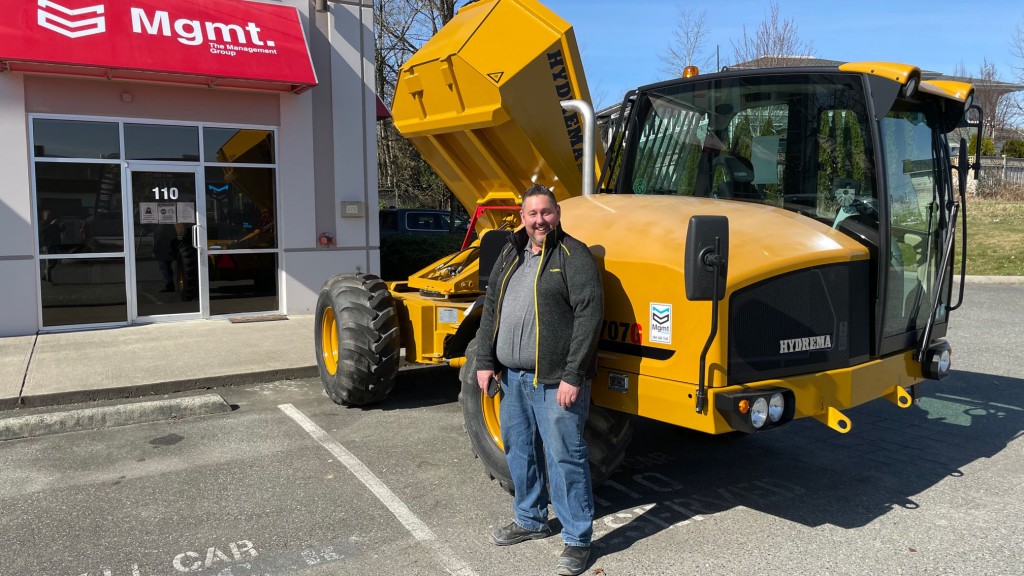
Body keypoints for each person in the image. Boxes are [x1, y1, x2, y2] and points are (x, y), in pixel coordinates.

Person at [475, 184, 604, 576]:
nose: (539, 220)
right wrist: (484, 359)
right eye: (532, 214)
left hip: (554, 381)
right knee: (519, 449)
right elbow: (492, 305)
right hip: (512, 377)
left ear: (558, 212)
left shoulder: (573, 255)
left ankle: (578, 540)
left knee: (565, 457)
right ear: (522, 217)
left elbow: (589, 315)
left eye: (546, 212)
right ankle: (530, 519)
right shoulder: (511, 251)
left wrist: (573, 374)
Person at [39, 209, 64, 282]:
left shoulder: (53, 224)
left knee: (55, 261)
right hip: (47, 245)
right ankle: (48, 278)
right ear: (44, 216)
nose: (50, 216)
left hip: (55, 244)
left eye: (51, 215)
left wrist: (62, 225)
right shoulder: (42, 223)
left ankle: (46, 276)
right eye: (48, 215)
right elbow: (42, 231)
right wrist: (51, 225)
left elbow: (61, 230)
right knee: (49, 262)